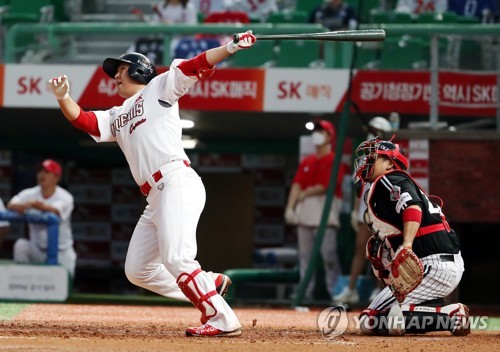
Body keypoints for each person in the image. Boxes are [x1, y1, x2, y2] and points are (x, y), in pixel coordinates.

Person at [47, 30, 256, 337]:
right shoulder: (117, 114)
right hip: (155, 195)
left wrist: (230, 47)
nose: (115, 76)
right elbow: (85, 121)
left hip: (176, 180)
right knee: (138, 270)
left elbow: (194, 65)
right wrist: (64, 97)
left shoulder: (158, 87)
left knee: (177, 258)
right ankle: (208, 284)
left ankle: (222, 319)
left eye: (119, 69)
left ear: (137, 70)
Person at [353, 138, 470, 336]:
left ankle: (451, 317)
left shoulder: (389, 178)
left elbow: (411, 207)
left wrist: (406, 244)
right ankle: (439, 312)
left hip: (432, 266)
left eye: (374, 156)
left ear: (390, 162)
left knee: (370, 320)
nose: (367, 161)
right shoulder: (385, 187)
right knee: (381, 319)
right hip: (443, 264)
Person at [333, 116, 393, 305]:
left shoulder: (389, 158)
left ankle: (379, 291)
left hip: (381, 210)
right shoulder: (363, 158)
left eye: (376, 131)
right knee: (360, 249)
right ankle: (351, 290)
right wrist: (354, 211)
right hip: (363, 210)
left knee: (381, 250)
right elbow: (359, 188)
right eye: (371, 130)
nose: (372, 134)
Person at [285, 120, 346, 301]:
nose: (317, 134)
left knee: (329, 257)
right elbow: (296, 184)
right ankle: (305, 292)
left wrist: (305, 193)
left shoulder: (335, 160)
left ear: (330, 136)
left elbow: (326, 186)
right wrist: (290, 207)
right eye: (316, 130)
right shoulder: (308, 160)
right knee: (305, 258)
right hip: (305, 214)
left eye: (321, 131)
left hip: (325, 213)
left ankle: (336, 293)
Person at [7, 159, 77, 277]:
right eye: (40, 172)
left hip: (61, 252)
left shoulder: (65, 197)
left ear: (56, 177)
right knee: (21, 245)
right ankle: (21, 280)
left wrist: (37, 205)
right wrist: (23, 205)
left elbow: (54, 210)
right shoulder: (30, 193)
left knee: (63, 291)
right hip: (37, 249)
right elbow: (10, 205)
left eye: (47, 172)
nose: (42, 175)